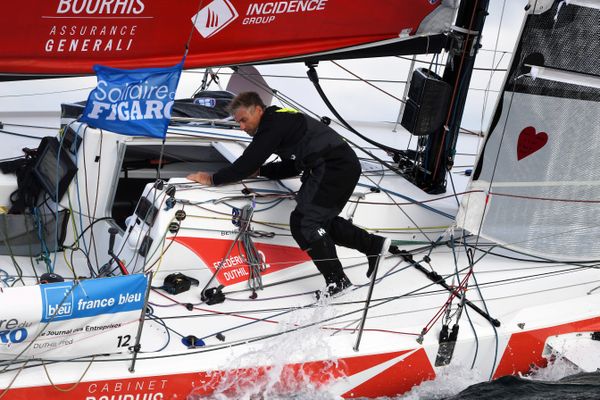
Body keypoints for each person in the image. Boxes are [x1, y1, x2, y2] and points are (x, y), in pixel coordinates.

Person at [187, 92, 390, 295]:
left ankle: (338, 282)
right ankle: (373, 246)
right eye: (238, 122)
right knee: (319, 221)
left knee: (303, 223)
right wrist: (262, 172)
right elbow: (293, 167)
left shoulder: (273, 123)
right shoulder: (281, 121)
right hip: (341, 165)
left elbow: (247, 162)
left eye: (243, 120)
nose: (241, 126)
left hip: (332, 166)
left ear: (258, 110)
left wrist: (212, 179)